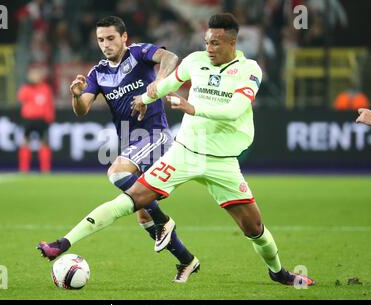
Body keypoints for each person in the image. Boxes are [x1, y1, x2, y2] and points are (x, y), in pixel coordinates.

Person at [38, 13, 315, 286]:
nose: (209, 48)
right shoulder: (196, 61)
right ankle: (63, 243)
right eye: (207, 42)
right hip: (184, 152)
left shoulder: (249, 69)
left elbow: (236, 110)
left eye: (216, 43)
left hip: (223, 161)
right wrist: (145, 97)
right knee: (130, 200)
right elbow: (168, 84)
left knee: (254, 229)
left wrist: (192, 107)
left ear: (232, 43)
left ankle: (278, 272)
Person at [38, 16, 198, 283]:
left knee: (116, 172)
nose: (105, 44)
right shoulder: (97, 73)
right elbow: (83, 109)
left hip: (155, 135)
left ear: (124, 37)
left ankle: (164, 221)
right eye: (101, 39)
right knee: (144, 216)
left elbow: (171, 58)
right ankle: (187, 260)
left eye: (111, 38)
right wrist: (77, 95)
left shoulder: (139, 53)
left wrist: (155, 87)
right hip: (130, 142)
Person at [17, 65, 55, 173]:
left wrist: (49, 118)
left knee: (44, 143)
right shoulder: (26, 88)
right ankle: (23, 168)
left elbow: (49, 105)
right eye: (32, 75)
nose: (34, 77)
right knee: (25, 142)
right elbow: (20, 99)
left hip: (41, 119)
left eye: (36, 74)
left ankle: (45, 169)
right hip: (28, 119)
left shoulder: (45, 89)